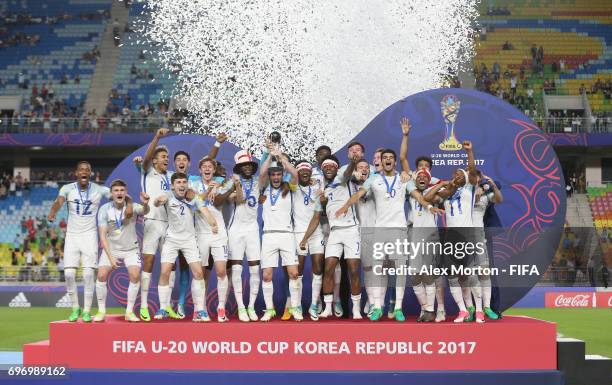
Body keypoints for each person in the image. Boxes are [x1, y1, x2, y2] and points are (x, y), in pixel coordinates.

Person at [47, 161, 130, 322]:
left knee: (87, 275)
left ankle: (86, 310)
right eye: (81, 170)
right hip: (72, 235)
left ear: (90, 173)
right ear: (76, 173)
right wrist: (52, 212)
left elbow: (119, 194)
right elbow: (58, 202)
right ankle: (74, 308)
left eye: (87, 170)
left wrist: (130, 203)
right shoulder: (67, 189)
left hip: (90, 235)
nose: (84, 172)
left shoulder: (99, 190)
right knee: (69, 274)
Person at [301, 155, 363, 320]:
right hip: (335, 232)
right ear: (322, 170)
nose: (329, 169)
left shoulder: (343, 178)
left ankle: (356, 309)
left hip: (351, 230)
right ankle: (327, 308)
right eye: (325, 167)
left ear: (337, 168)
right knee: (328, 269)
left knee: (354, 270)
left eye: (331, 167)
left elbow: (348, 171)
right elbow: (315, 218)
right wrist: (305, 239)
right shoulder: (322, 192)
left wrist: (353, 162)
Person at [424, 141, 479, 323]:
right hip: (451, 236)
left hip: (467, 234)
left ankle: (475, 308)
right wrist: (445, 185)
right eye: (454, 174)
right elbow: (428, 198)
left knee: (467, 274)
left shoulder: (469, 189)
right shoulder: (448, 193)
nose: (456, 175)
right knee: (451, 273)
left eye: (459, 174)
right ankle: (463, 310)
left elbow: (471, 170)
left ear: (465, 178)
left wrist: (469, 151)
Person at [153, 173, 218, 321]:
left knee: (198, 273)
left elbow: (205, 211)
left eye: (184, 182)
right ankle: (163, 308)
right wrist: (157, 201)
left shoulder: (193, 198)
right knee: (165, 272)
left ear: (187, 184)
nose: (181, 185)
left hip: (189, 240)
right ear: (173, 185)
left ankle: (200, 310)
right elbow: (157, 202)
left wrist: (213, 222)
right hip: (171, 240)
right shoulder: (168, 195)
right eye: (178, 182)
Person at [94, 180, 150, 322]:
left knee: (135, 274)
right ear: (111, 194)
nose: (119, 193)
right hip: (111, 249)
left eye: (121, 190)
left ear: (126, 193)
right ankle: (101, 311)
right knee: (101, 275)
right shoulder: (104, 210)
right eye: (116, 190)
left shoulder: (133, 206)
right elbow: (102, 236)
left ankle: (129, 312)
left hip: (131, 249)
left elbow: (145, 211)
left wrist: (145, 203)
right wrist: (111, 257)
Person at [258, 150, 302, 321]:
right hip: (268, 235)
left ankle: (295, 308)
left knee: (293, 273)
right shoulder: (263, 188)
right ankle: (270, 310)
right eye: (273, 174)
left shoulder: (289, 188)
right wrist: (270, 155)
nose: (276, 177)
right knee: (267, 275)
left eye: (278, 174)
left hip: (286, 235)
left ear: (282, 174)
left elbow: (295, 173)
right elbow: (261, 173)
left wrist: (281, 157)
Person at [190, 157, 234, 322]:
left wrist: (224, 185)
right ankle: (198, 310)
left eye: (210, 167)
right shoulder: (192, 185)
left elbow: (233, 183)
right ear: (200, 170)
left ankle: (221, 308)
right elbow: (196, 203)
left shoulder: (221, 184)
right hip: (201, 233)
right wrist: (209, 189)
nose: (207, 169)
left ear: (214, 170)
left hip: (219, 233)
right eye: (204, 167)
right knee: (199, 273)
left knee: (222, 271)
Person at [137, 128, 173, 321]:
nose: (166, 159)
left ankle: (166, 307)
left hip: (169, 225)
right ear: (155, 160)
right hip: (151, 222)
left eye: (167, 156)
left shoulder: (172, 176)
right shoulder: (148, 172)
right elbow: (146, 158)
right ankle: (143, 306)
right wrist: (157, 137)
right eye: (163, 156)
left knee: (169, 266)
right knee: (149, 263)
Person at [227, 148, 262, 321]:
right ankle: (241, 307)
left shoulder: (258, 182)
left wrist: (269, 152)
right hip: (236, 229)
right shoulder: (232, 182)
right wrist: (237, 185)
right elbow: (239, 199)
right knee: (237, 268)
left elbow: (266, 168)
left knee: (255, 269)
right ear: (239, 168)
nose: (247, 167)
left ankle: (251, 307)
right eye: (243, 165)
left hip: (252, 228)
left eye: (249, 165)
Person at [291, 159, 325, 320]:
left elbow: (317, 217)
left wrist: (306, 238)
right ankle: (296, 305)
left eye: (307, 171)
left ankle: (313, 304)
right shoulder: (292, 187)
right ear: (297, 173)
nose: (305, 173)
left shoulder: (318, 188)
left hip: (316, 232)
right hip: (298, 232)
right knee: (298, 272)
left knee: (318, 269)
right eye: (301, 171)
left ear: (311, 173)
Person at [472, 171, 503, 321]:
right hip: (465, 236)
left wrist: (484, 186)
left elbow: (497, 185)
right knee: (468, 274)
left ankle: (493, 307)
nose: (473, 179)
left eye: (476, 177)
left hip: (484, 233)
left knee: (487, 271)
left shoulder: (486, 187)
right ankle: (473, 309)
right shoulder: (462, 190)